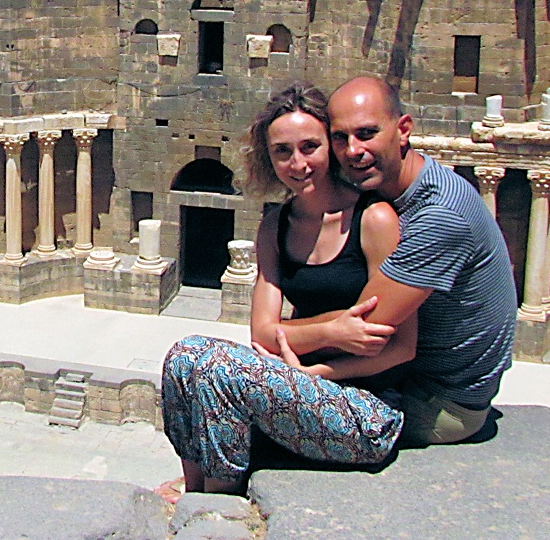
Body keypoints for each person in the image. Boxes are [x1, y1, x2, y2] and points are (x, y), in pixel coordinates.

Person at [160, 83, 415, 499]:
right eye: (282, 151)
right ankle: (194, 491)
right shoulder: (275, 226)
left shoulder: (374, 221)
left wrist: (315, 370)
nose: (298, 163)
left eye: (310, 146)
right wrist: (334, 331)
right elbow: (262, 334)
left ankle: (219, 502)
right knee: (183, 358)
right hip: (298, 390)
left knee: (219, 369)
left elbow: (401, 346)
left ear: (331, 147)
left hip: (367, 413)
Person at [324, 75, 518, 445]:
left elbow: (363, 329)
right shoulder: (404, 188)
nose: (352, 150)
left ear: (404, 130)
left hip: (438, 402)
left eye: (366, 133)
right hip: (410, 377)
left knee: (267, 398)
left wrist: (278, 334)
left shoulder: (439, 215)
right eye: (340, 137)